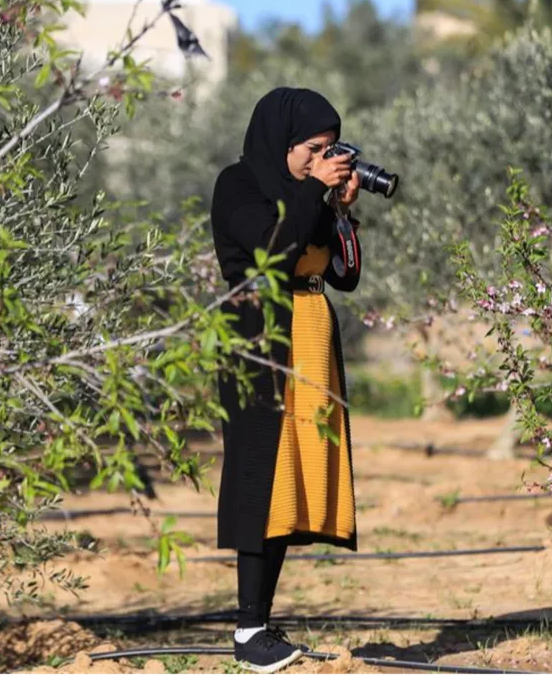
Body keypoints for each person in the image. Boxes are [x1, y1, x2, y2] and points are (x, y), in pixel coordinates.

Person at [209, 86, 363, 673]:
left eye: (332, 149)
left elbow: (343, 275)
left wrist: (340, 207)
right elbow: (277, 246)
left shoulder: (311, 195)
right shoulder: (238, 184)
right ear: (283, 142)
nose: (324, 159)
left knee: (293, 479)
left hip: (309, 340)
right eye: (315, 149)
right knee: (260, 476)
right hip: (259, 343)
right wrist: (314, 193)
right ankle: (248, 630)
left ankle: (260, 623)